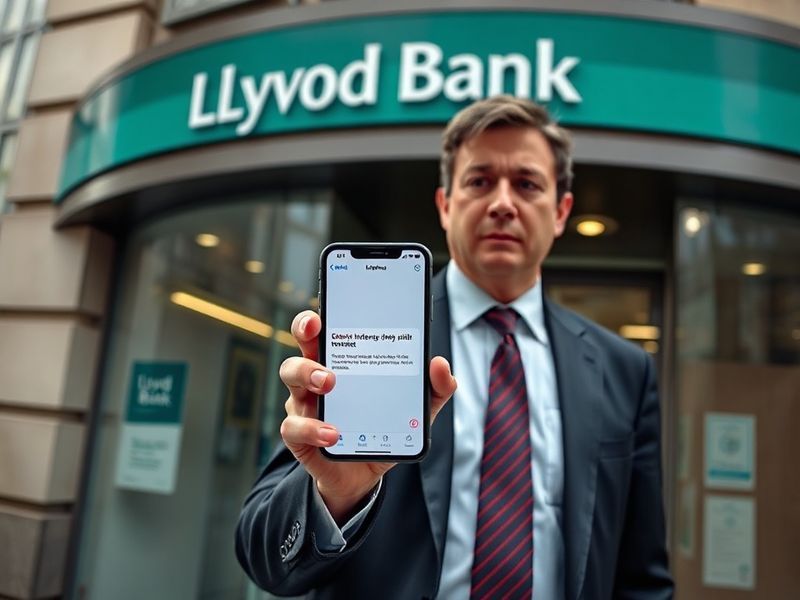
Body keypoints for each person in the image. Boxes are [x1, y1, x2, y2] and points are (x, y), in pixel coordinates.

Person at [235, 96, 674, 599]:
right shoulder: (369, 332)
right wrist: (334, 495)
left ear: (561, 211)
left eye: (527, 184)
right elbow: (265, 560)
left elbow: (642, 579)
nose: (503, 202)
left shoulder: (624, 370)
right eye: (479, 181)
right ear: (445, 205)